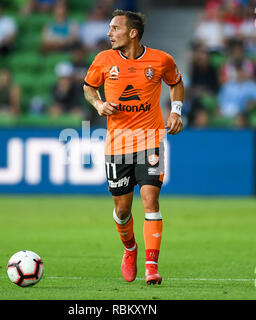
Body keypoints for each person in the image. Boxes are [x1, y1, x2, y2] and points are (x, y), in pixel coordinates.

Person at [83, 10, 184, 285]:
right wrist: (99, 105)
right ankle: (130, 249)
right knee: (123, 210)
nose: (109, 33)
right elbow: (89, 88)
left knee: (151, 200)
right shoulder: (103, 60)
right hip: (117, 145)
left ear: (132, 33)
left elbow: (176, 82)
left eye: (115, 28)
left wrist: (175, 111)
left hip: (151, 140)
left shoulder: (161, 60)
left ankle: (152, 266)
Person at [217, 62, 256, 127]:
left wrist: (254, 102)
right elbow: (220, 102)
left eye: (241, 72)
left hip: (244, 112)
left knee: (239, 119)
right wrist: (219, 110)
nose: (240, 74)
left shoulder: (251, 86)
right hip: (228, 111)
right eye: (238, 72)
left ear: (245, 73)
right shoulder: (227, 86)